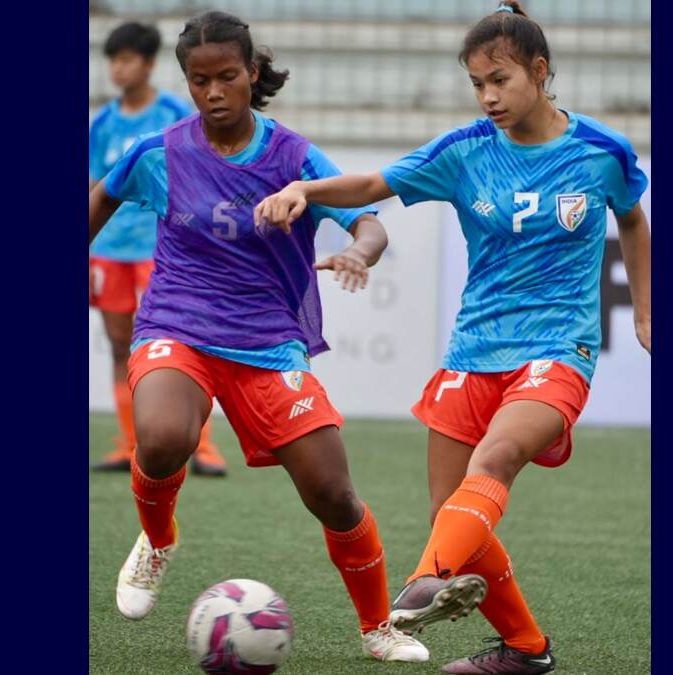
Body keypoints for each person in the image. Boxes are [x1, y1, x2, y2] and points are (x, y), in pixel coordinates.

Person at [254, 2, 651, 672]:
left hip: (557, 348)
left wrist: (644, 312)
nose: (488, 96)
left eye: (500, 79)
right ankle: (526, 650)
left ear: (540, 69)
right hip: (472, 350)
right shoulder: (464, 151)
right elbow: (374, 183)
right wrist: (306, 187)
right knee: (457, 512)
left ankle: (421, 583)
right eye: (477, 83)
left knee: (490, 463)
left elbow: (634, 222)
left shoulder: (600, 151)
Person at [88, 10, 429, 663]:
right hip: (177, 325)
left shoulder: (293, 157)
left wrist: (361, 250)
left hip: (267, 342)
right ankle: (157, 541)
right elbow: (101, 197)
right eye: (198, 81)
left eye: (226, 77)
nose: (213, 92)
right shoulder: (160, 152)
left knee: (333, 493)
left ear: (251, 74)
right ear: (186, 83)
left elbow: (369, 220)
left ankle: (377, 626)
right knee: (162, 439)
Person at [89, 20, 227, 476]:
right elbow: (94, 187)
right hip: (109, 250)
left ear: (148, 64)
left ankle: (201, 447)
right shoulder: (104, 123)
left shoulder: (172, 115)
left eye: (126, 59)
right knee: (117, 345)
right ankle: (130, 444)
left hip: (161, 251)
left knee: (181, 343)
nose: (117, 68)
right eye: (112, 59)